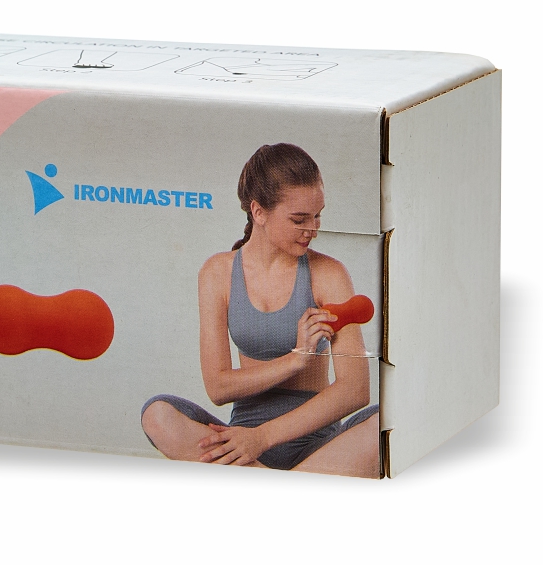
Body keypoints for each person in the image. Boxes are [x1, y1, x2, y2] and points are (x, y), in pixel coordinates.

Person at [141, 143, 380, 477]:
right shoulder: (217, 273)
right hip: (239, 442)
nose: (312, 229)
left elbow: (355, 390)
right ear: (258, 212)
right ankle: (291, 486)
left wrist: (262, 438)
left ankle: (258, 482)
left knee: (384, 421)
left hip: (318, 447)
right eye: (299, 219)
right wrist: (295, 360)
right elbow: (218, 388)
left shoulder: (329, 273)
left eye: (317, 215)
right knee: (157, 415)